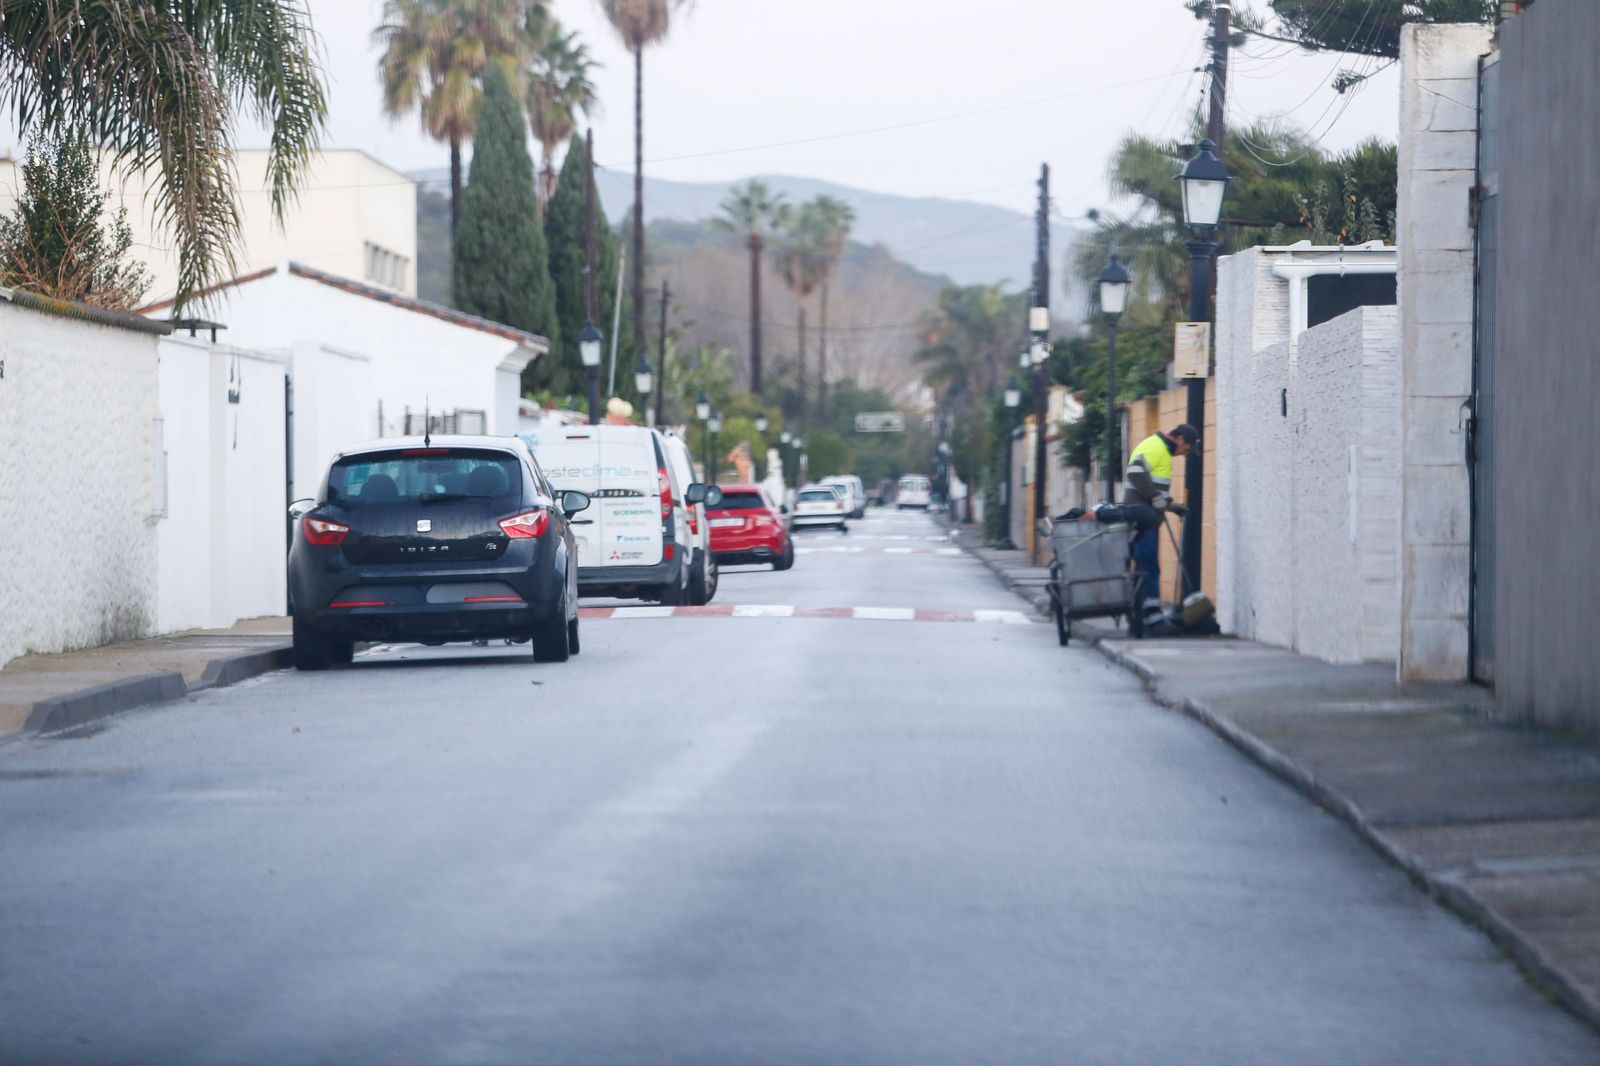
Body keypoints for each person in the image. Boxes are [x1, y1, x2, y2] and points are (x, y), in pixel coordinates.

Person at [1122, 424, 1198, 627]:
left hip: (1145, 516)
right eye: (1187, 449)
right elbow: (1136, 472)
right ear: (1179, 438)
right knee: (1149, 566)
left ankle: (1142, 616)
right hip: (1143, 519)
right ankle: (1153, 619)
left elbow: (1151, 487)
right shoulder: (1157, 448)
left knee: (1144, 565)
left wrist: (1172, 506)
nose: (1184, 454)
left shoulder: (1159, 449)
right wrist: (1155, 497)